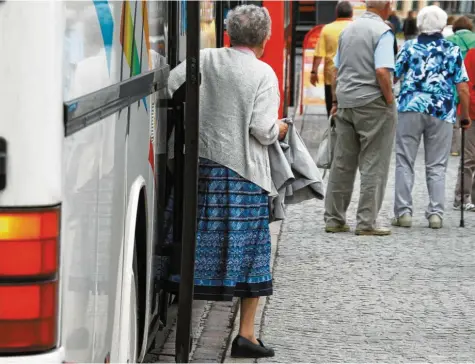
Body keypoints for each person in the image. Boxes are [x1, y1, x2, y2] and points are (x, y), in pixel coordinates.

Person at [166, 4, 287, 359]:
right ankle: (246, 335)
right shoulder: (262, 73)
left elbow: (173, 86)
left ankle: (184, 328)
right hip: (243, 176)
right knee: (251, 255)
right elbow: (262, 131)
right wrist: (281, 127)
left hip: (200, 168)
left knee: (194, 241)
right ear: (265, 38)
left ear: (228, 33)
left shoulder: (203, 59)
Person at [392, 6, 471, 229]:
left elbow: (394, 76)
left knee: (404, 160)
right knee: (437, 165)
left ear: (420, 25)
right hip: (441, 110)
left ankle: (404, 213)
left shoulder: (409, 47)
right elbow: (463, 87)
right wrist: (464, 116)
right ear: (443, 25)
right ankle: (436, 214)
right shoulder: (452, 50)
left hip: (410, 107)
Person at [324, 0, 396, 236]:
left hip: (346, 101)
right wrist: (389, 100)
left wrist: (335, 101)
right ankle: (366, 222)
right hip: (373, 102)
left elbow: (336, 69)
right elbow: (382, 70)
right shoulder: (383, 32)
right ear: (386, 5)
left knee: (342, 164)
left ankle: (334, 219)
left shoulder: (348, 30)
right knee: (374, 162)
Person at [310, 1, 353, 117]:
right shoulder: (356, 29)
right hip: (352, 78)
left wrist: (314, 72)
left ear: (336, 13)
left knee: (332, 111)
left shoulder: (327, 29)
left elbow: (319, 54)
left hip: (331, 78)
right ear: (352, 13)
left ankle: (333, 131)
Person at [450, 17, 475, 210]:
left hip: (468, 106)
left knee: (468, 157)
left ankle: (469, 196)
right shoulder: (472, 54)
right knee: (468, 157)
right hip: (472, 110)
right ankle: (462, 197)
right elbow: (465, 84)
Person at [448, 16, 475, 157]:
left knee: (453, 116)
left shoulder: (448, 40)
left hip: (453, 82)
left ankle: (454, 147)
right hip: (470, 82)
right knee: (467, 113)